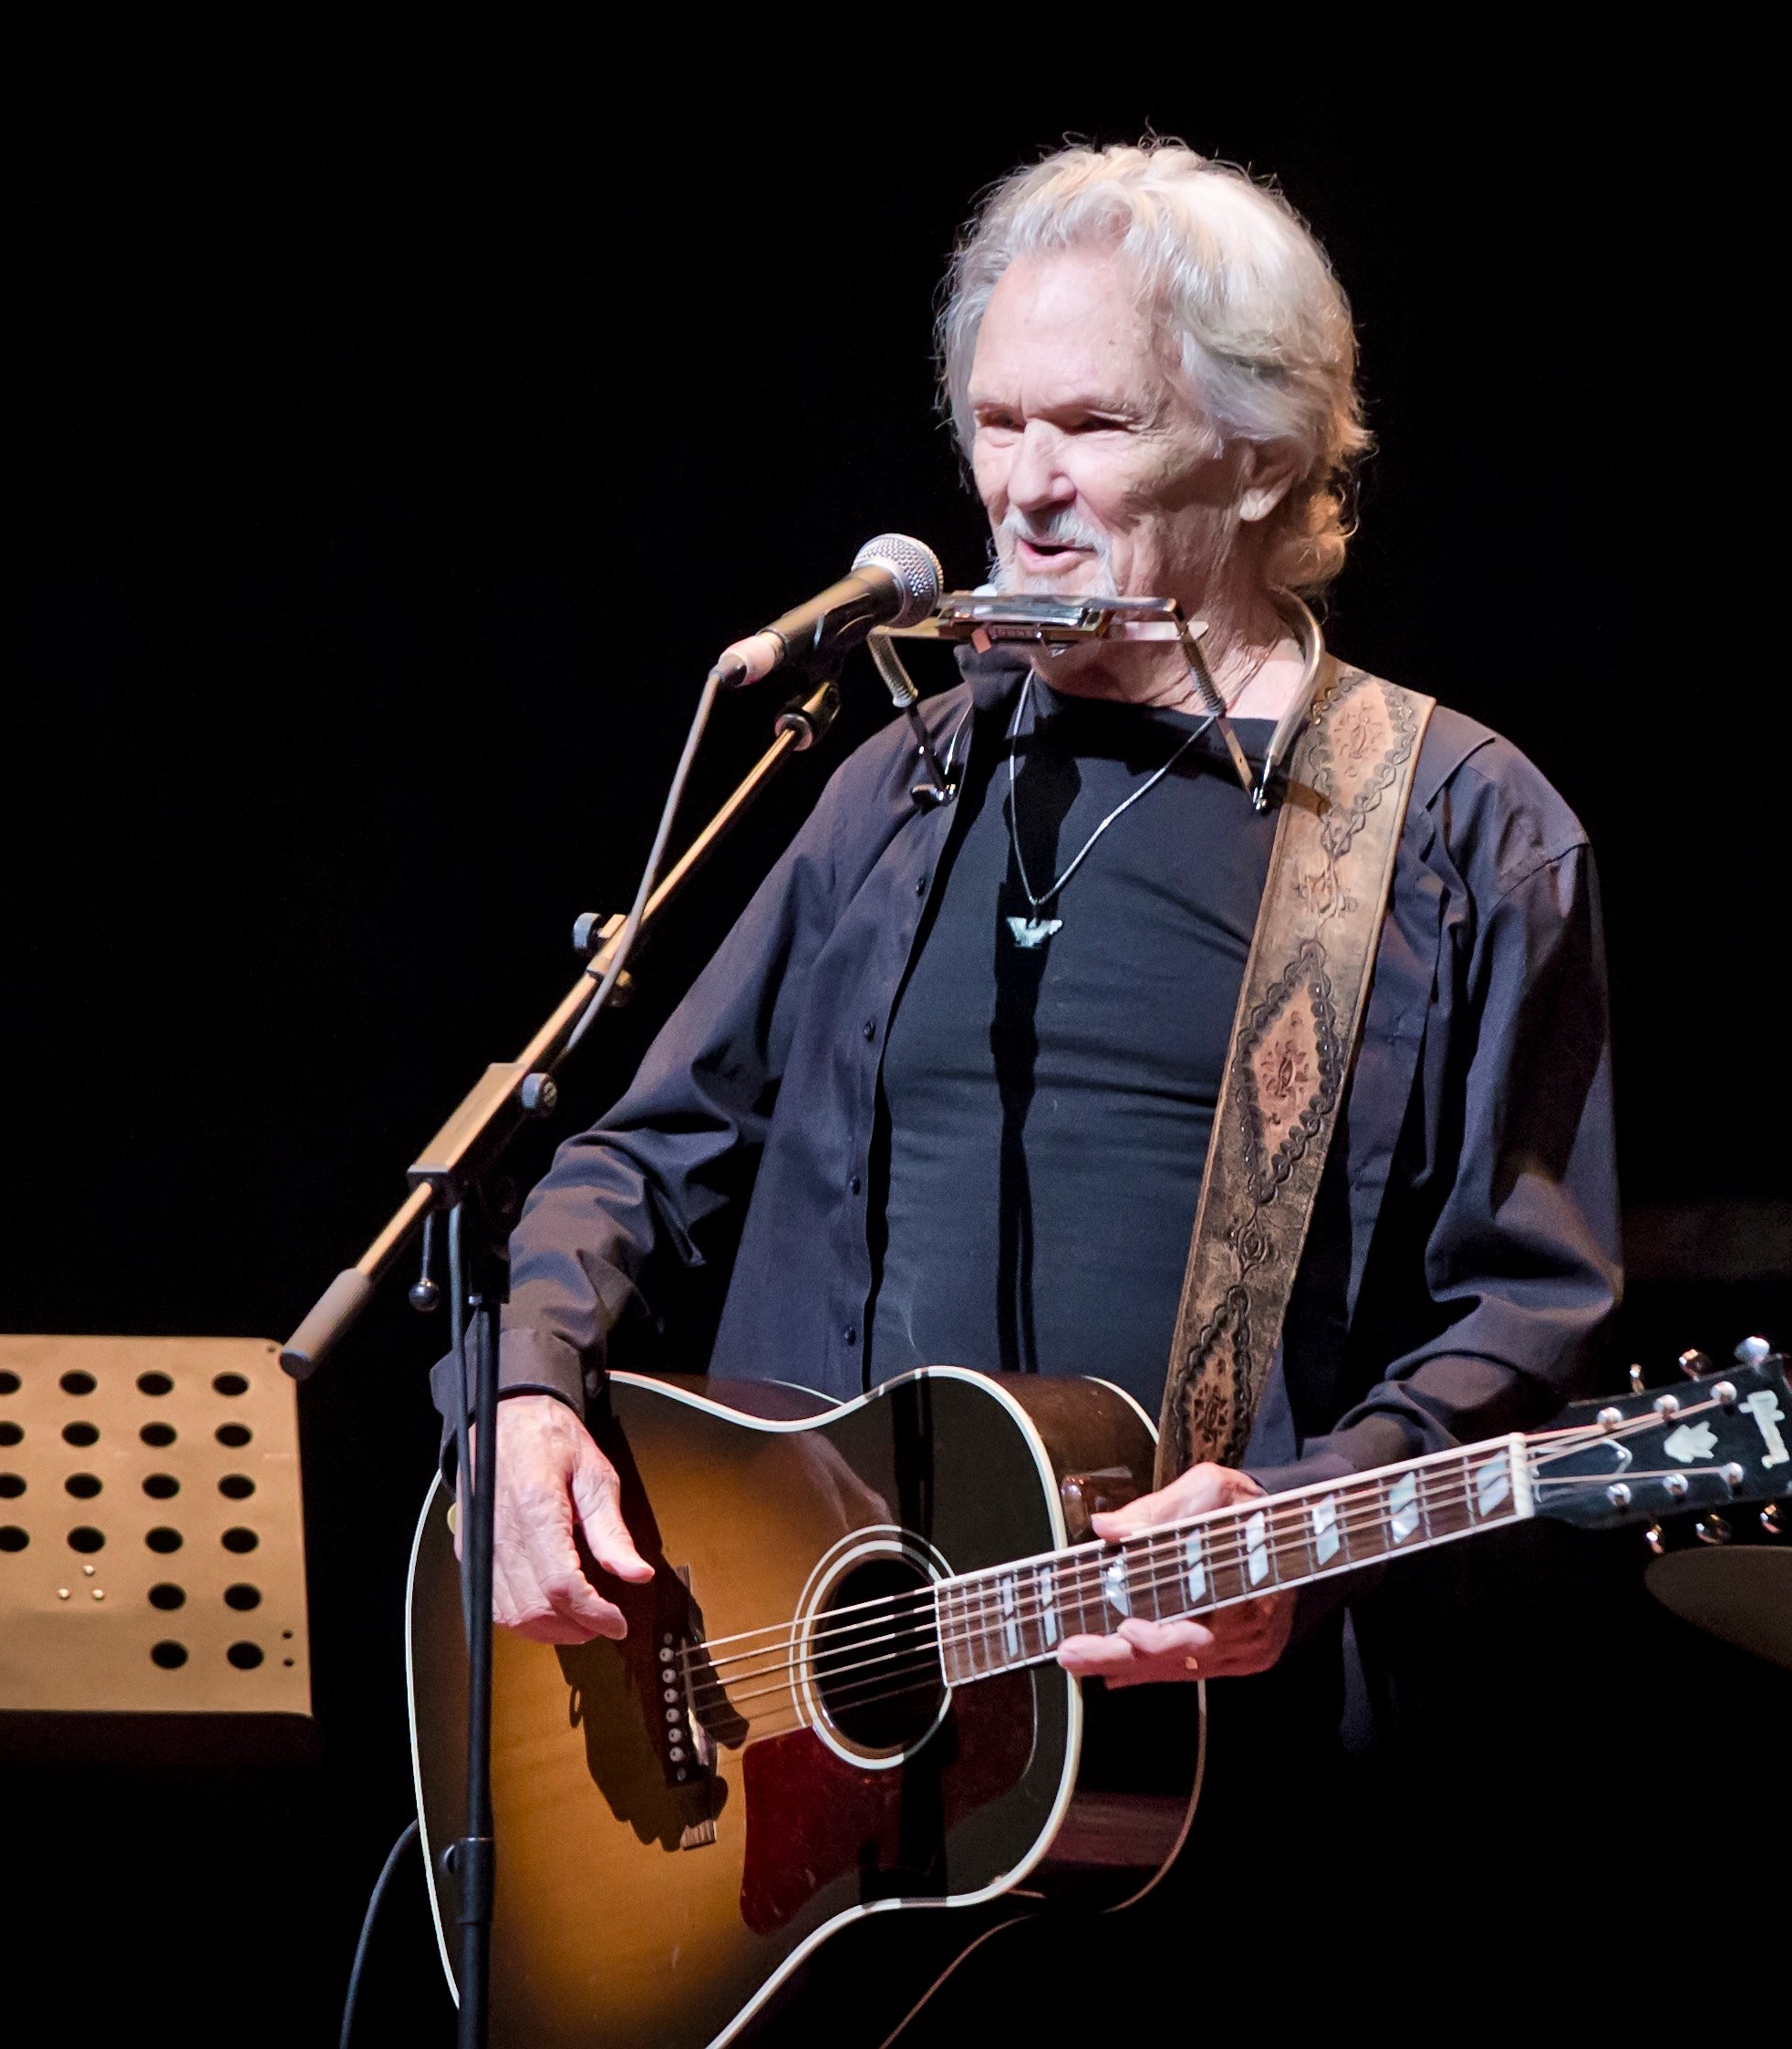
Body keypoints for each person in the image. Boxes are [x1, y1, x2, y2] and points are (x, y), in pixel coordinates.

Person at [438, 140, 1619, 2007]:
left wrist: (1306, 1524)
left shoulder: (1455, 831)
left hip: (1217, 1811)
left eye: (1092, 423)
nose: (1024, 488)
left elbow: (1527, 1314)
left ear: (1259, 451)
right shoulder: (895, 789)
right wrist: (522, 1401)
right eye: (996, 423)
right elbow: (634, 1157)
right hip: (805, 1806)